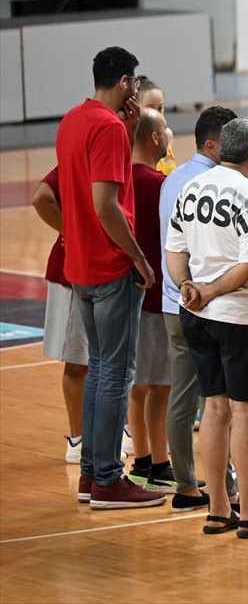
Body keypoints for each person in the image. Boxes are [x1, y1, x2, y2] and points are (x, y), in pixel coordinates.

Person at [166, 117, 248, 538]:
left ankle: (219, 508)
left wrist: (189, 288)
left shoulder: (190, 188)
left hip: (198, 318)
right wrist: (209, 291)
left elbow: (174, 250)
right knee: (246, 414)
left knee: (215, 409)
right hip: (244, 320)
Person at [56, 46, 160, 509]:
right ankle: (108, 479)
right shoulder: (108, 127)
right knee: (116, 373)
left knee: (101, 370)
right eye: (134, 83)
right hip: (110, 264)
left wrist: (130, 128)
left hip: (79, 265)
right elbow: (105, 205)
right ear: (123, 83)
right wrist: (137, 256)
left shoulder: (73, 119)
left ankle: (89, 475)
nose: (136, 91)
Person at [159, 106, 241, 512]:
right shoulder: (211, 183)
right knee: (218, 400)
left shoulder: (173, 178)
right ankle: (224, 490)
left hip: (173, 300)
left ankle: (187, 486)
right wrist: (201, 291)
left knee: (184, 396)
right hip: (202, 303)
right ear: (213, 144)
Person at [126, 109, 177, 490]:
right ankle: (160, 464)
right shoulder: (159, 184)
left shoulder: (118, 179)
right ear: (155, 139)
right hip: (156, 294)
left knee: (138, 383)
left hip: (125, 294)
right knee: (160, 385)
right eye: (165, 129)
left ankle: (142, 458)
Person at [31, 170, 89, 464]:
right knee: (78, 361)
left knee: (110, 360)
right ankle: (78, 440)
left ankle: (121, 430)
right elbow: (41, 198)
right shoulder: (74, 161)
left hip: (102, 271)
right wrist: (74, 233)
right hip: (71, 273)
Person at [136, 76, 176, 175]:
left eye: (160, 107)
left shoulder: (168, 135)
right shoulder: (133, 141)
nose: (157, 113)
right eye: (151, 108)